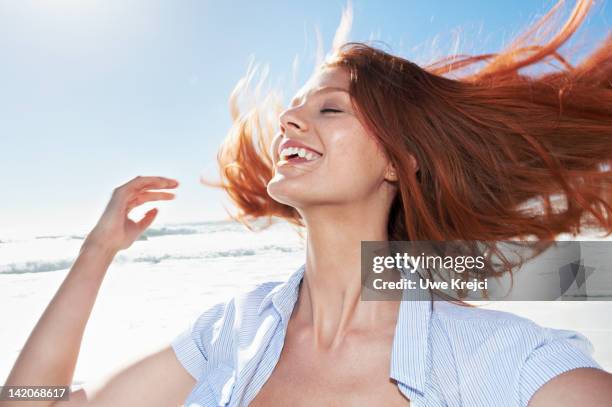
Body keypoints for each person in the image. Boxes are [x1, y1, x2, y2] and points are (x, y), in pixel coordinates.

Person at [3, 0, 612, 405]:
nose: (289, 118)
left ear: (399, 163)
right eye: (295, 107)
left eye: (329, 108)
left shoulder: (497, 359)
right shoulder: (230, 332)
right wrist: (96, 250)